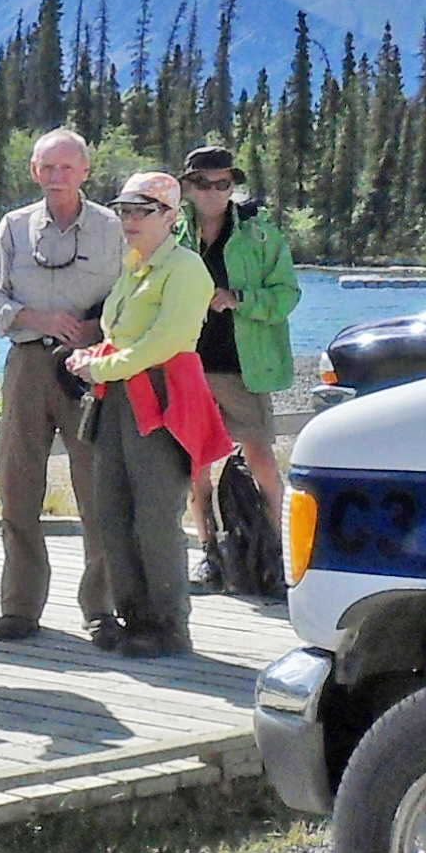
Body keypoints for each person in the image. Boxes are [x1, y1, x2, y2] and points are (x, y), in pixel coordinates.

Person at [66, 171, 224, 659]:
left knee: (155, 516)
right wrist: (93, 358)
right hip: (118, 398)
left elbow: (164, 343)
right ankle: (134, 617)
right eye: (125, 210)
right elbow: (124, 333)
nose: (130, 220)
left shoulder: (187, 269)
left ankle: (170, 623)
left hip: (161, 399)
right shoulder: (135, 265)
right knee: (112, 513)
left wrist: (99, 365)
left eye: (143, 211)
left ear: (172, 218)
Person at [0, 127, 125, 645]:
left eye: (68, 167)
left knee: (97, 489)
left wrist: (95, 329)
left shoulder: (113, 227)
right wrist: (33, 315)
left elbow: (133, 294)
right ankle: (19, 607)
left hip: (93, 365)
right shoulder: (14, 227)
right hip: (27, 365)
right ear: (34, 172)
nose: (57, 177)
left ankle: (102, 609)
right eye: (48, 167)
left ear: (85, 171)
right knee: (17, 486)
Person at [173, 144, 300, 594]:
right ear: (188, 187)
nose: (213, 192)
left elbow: (288, 295)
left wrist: (240, 300)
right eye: (203, 183)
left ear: (233, 185)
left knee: (263, 460)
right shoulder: (171, 232)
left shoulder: (261, 235)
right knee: (194, 465)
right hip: (188, 365)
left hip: (243, 368)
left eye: (222, 183)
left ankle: (282, 552)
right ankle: (209, 551)